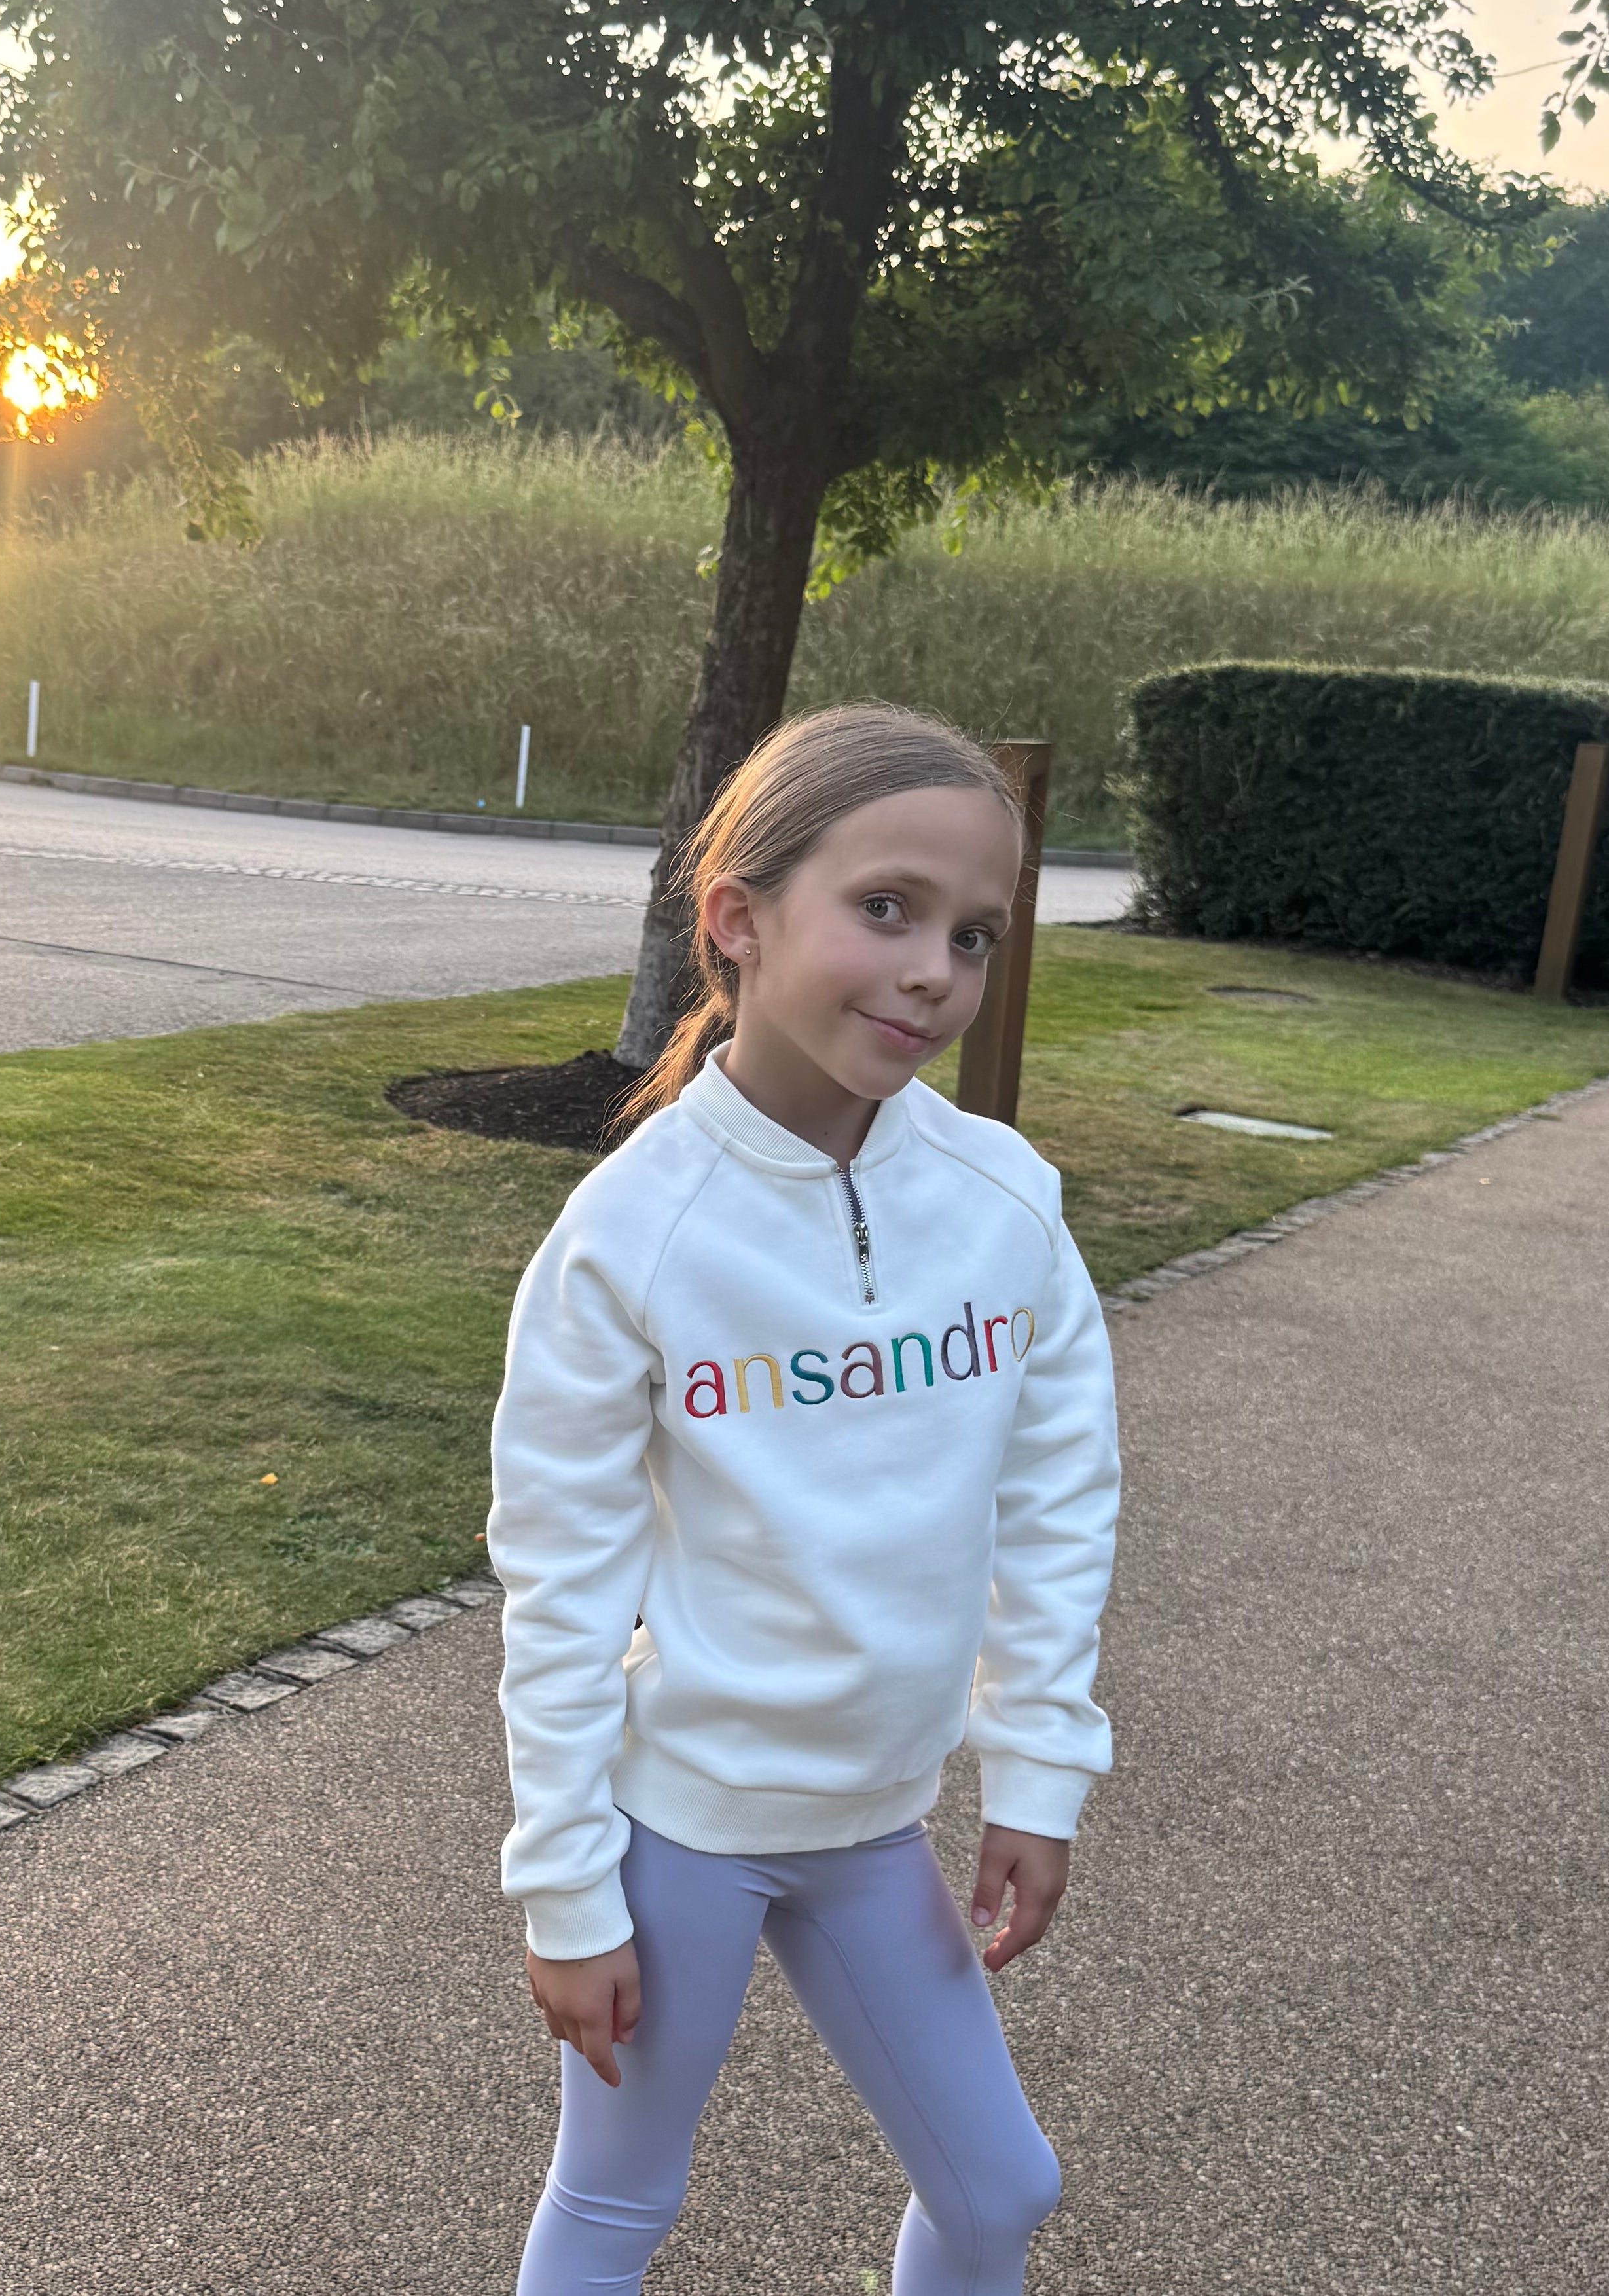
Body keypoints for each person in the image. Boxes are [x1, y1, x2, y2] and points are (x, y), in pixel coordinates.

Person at [489, 701, 1121, 2295]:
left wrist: (1038, 1771)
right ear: (737, 919)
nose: (933, 972)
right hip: (682, 1829)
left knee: (1000, 2191)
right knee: (616, 2205)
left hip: (873, 1826)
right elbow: (562, 1578)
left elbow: (1060, 1499)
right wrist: (565, 1891)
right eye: (886, 907)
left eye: (973, 935)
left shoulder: (1005, 1203)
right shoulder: (628, 1234)